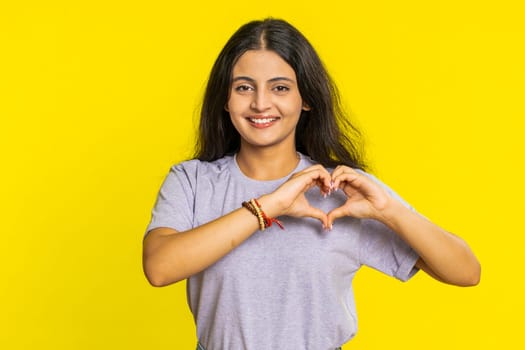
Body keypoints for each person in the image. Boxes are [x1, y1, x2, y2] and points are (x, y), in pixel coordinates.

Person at [143, 18, 480, 350]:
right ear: (225, 99)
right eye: (244, 87)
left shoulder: (342, 190)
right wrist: (269, 206)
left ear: (305, 99)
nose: (261, 103)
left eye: (280, 88)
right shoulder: (192, 180)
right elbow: (159, 267)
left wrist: (391, 212)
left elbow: (465, 271)